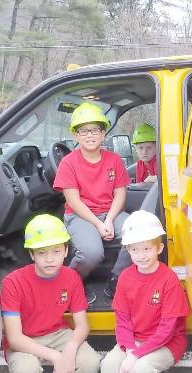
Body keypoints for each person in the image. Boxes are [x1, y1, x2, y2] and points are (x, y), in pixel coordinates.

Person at [0, 214, 100, 373]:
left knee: (90, 361)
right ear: (31, 254)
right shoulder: (13, 282)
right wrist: (57, 357)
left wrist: (70, 350)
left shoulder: (71, 277)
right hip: (25, 339)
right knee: (26, 370)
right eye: (42, 253)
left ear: (66, 251)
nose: (50, 259)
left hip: (57, 334)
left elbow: (82, 325)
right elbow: (14, 339)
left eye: (56, 251)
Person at [99, 210, 190, 373]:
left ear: (159, 248)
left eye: (147, 248)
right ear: (128, 250)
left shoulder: (168, 279)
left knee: (142, 370)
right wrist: (130, 349)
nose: (141, 255)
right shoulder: (126, 277)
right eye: (134, 250)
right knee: (109, 364)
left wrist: (137, 355)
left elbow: (167, 330)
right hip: (134, 341)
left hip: (167, 343)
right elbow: (122, 320)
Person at [53, 102, 133, 302]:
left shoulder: (114, 161)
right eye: (83, 130)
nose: (89, 135)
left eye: (95, 130)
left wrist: (109, 220)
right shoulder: (68, 163)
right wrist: (98, 224)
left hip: (110, 213)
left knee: (137, 233)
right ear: (76, 135)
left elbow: (120, 194)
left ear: (103, 133)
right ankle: (69, 284)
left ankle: (116, 280)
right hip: (80, 215)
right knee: (91, 252)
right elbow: (73, 200)